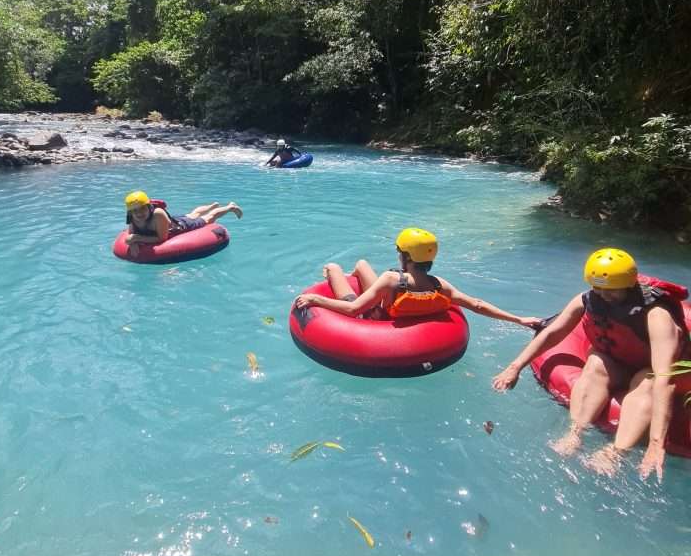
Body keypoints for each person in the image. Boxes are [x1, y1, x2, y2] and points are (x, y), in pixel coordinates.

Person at [492, 248, 689, 481]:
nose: (603, 296)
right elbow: (552, 333)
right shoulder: (587, 300)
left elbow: (664, 377)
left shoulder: (657, 315)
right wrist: (515, 367)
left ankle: (616, 452)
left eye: (610, 291)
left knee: (647, 382)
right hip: (617, 361)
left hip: (651, 370)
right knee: (595, 362)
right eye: (598, 288)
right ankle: (575, 433)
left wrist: (657, 444)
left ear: (627, 284)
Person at [294, 228, 542, 328]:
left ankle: (334, 271)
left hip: (373, 313)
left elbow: (352, 309)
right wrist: (520, 319)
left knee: (334, 267)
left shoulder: (391, 279)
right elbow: (476, 304)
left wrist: (317, 299)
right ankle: (356, 271)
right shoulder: (440, 285)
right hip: (392, 296)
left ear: (406, 257)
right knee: (361, 264)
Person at [124, 190, 242, 256]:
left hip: (181, 227)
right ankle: (211, 205)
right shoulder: (133, 216)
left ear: (149, 207)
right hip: (171, 221)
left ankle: (230, 207)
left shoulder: (158, 214)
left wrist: (137, 238)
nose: (139, 213)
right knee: (193, 214)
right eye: (135, 210)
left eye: (142, 209)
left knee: (209, 218)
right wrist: (133, 243)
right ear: (130, 212)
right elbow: (131, 235)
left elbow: (162, 238)